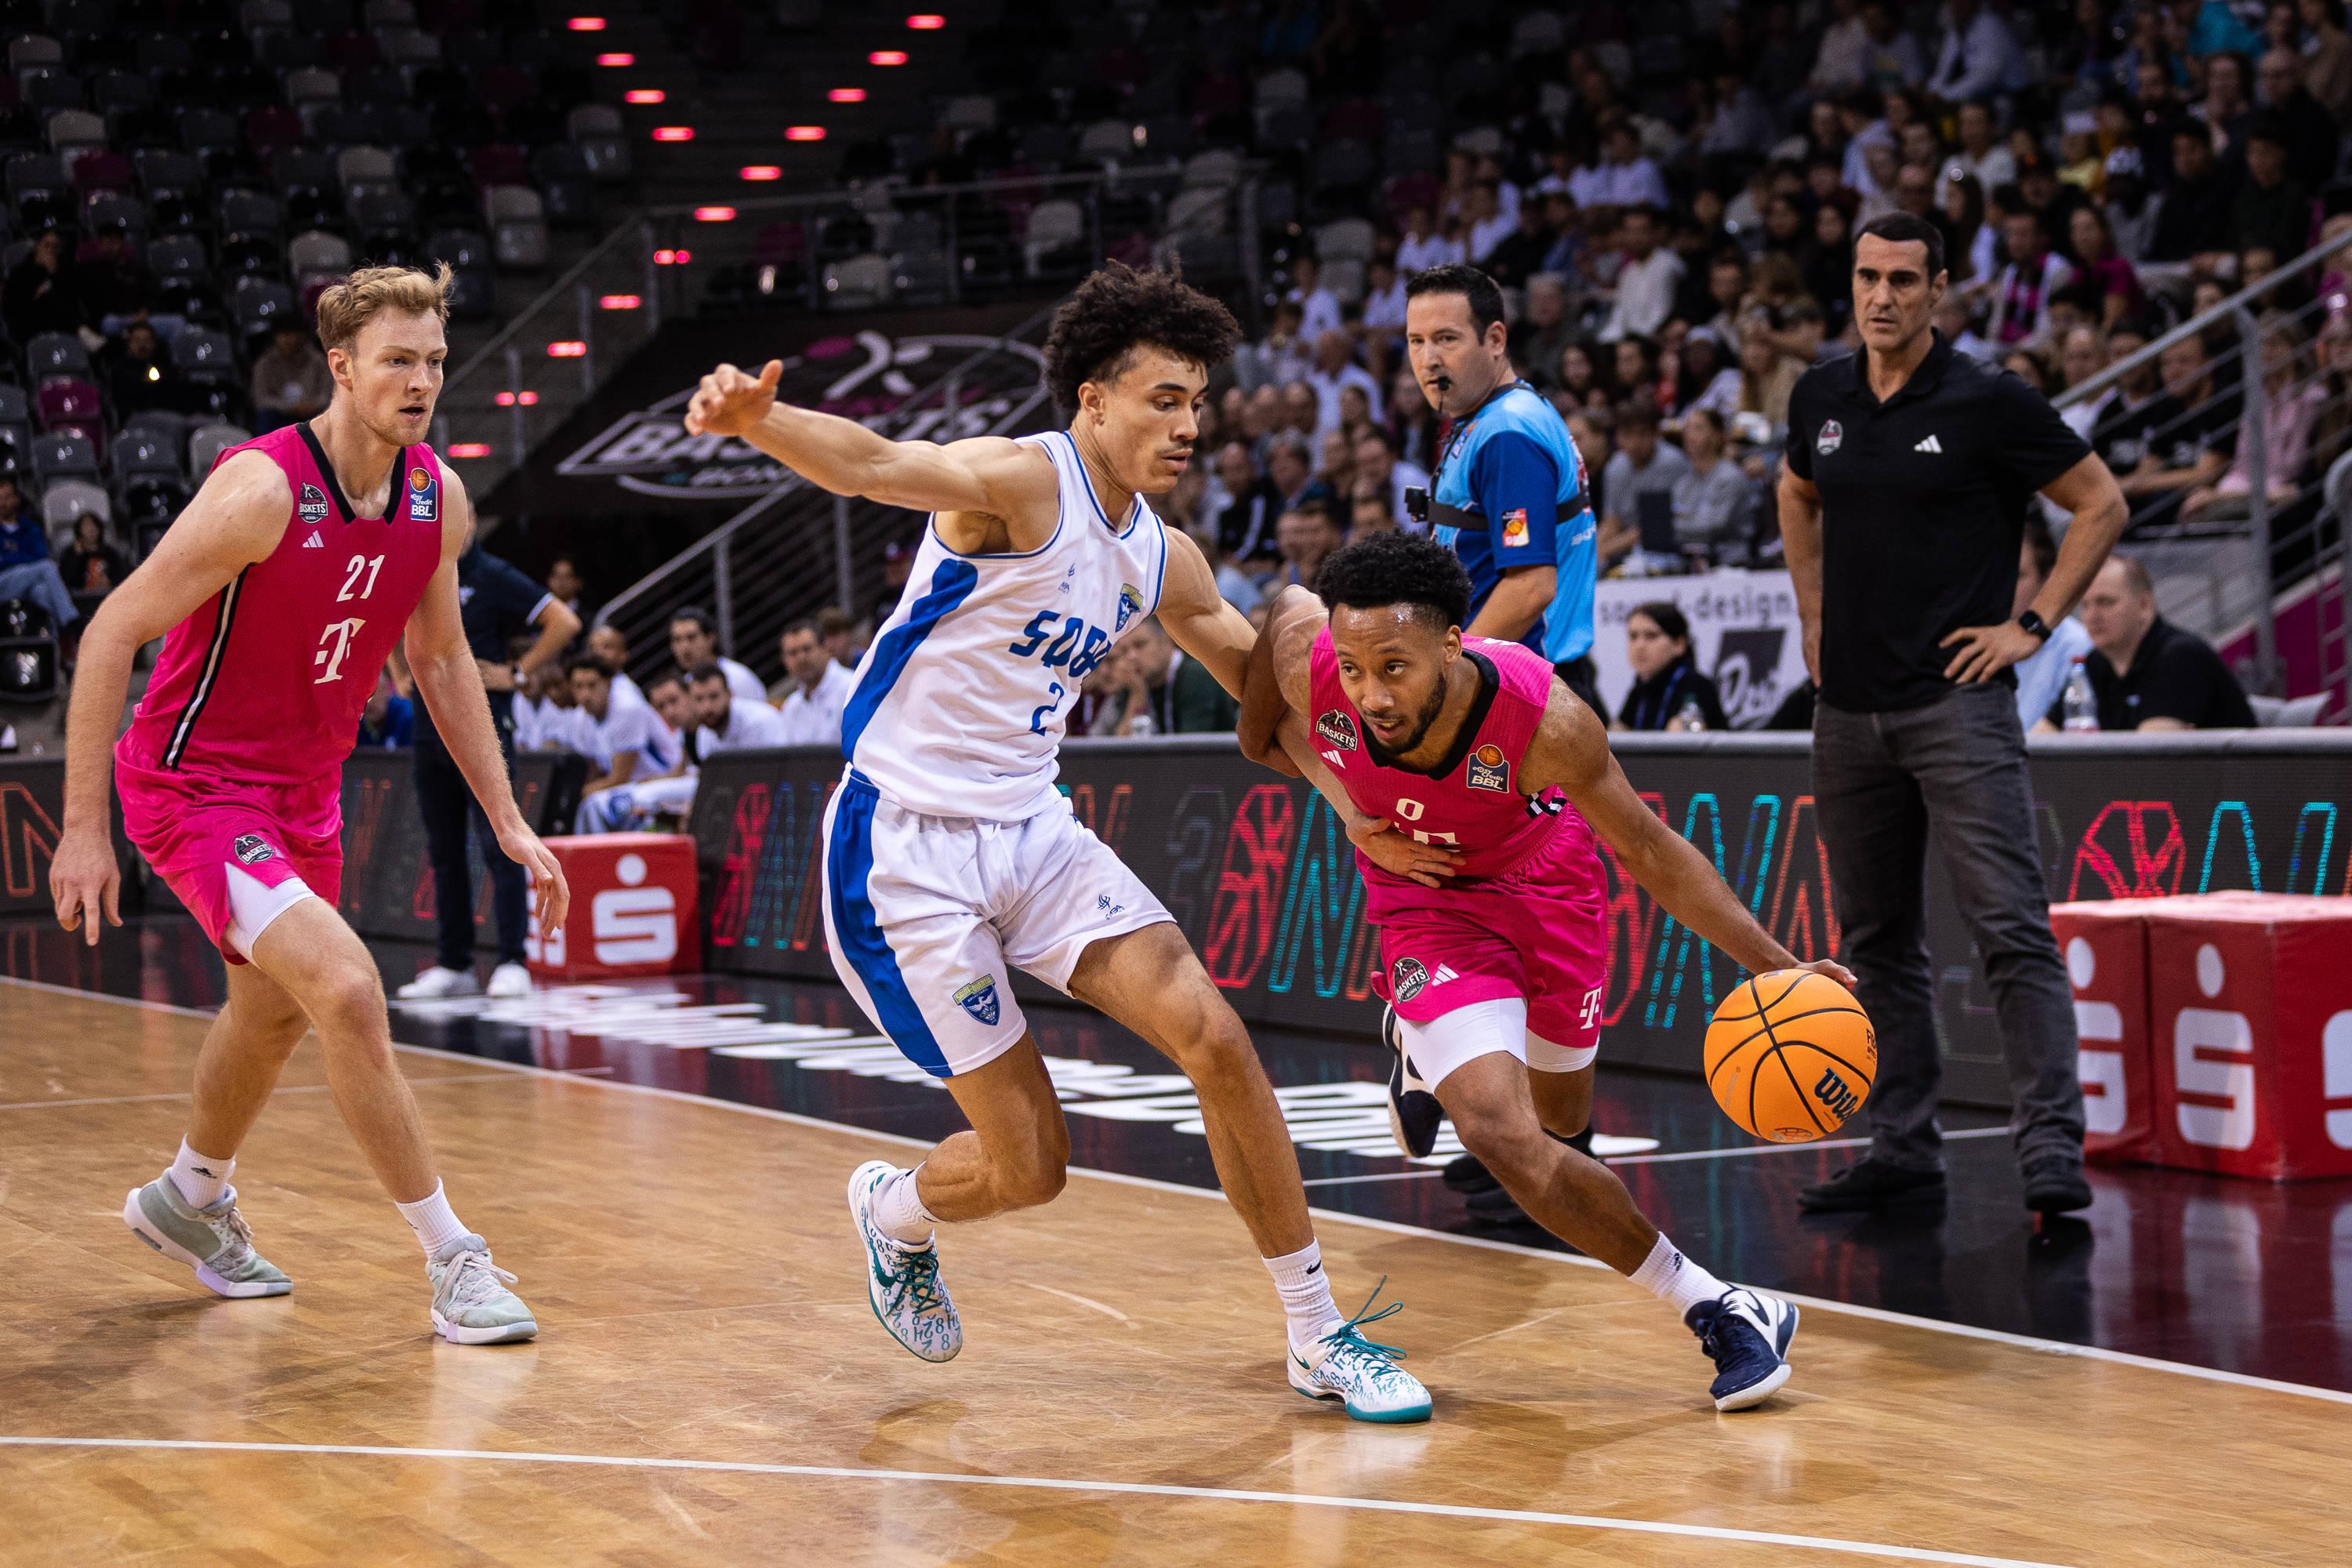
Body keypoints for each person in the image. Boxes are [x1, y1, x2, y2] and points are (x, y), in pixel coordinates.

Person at [682, 263, 1432, 1421]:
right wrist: (760, 419)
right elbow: (880, 465)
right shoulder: (1020, 483)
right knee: (1031, 1168)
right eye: (1163, 400)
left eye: (1197, 403)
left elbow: (1258, 687)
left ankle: (1316, 1331)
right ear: (1093, 399)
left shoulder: (1162, 554)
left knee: (1217, 1040)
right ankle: (895, 1212)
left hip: (1033, 828)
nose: (1189, 426)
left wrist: (1348, 791)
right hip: (904, 851)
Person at [47, 263, 565, 1344]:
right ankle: (453, 1260)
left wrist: (509, 821)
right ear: (340, 367)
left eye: (433, 360)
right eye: (398, 362)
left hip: (304, 795)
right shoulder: (261, 491)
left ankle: (188, 1198)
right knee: (348, 988)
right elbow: (109, 633)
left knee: (271, 1015)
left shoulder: (437, 495)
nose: (422, 381)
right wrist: (85, 830)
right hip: (194, 787)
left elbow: (442, 656)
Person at [1238, 534, 1853, 1411]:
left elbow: (1650, 848)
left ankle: (1424, 1053)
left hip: (1544, 881)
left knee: (1560, 1120)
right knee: (1501, 1133)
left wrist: (1781, 968)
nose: (1371, 694)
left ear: (1453, 643)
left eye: (1396, 668)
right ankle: (1718, 1303)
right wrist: (1351, 813)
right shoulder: (1309, 652)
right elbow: (1262, 733)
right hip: (1426, 896)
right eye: (1356, 666)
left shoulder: (1544, 717)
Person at [1778, 213, 2129, 1218]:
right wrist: (1812, 612)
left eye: (1901, 279)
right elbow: (1796, 492)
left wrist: (2031, 623)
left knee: (2010, 929)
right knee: (1878, 939)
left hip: (1958, 707)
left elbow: (2101, 503)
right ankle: (1903, 1143)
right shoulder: (1822, 395)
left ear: (1939, 288)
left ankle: (2052, 1149)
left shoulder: (1988, 400)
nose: (1880, 297)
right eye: (1865, 278)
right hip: (1847, 709)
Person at [1403, 263, 1601, 717]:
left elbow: (1531, 586)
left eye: (1446, 339)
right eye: (1417, 341)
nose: (1429, 358)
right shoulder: (1492, 414)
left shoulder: (1508, 435)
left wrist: (1448, 676)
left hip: (1527, 692)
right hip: (1510, 678)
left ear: (1494, 340)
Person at [394, 543, 579, 1001]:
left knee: (502, 845)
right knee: (443, 851)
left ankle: (513, 959)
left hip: (484, 732)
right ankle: (454, 962)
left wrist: (516, 672)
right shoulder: (412, 559)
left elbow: (564, 622)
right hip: (425, 729)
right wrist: (398, 672)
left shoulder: (492, 572)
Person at [579, 661, 790, 831]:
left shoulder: (762, 721)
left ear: (730, 694)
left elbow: (780, 777)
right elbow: (713, 782)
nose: (707, 707)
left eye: (714, 697)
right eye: (699, 699)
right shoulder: (705, 733)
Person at [2071, 555, 2257, 728]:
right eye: (2085, 605)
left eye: (2105, 602)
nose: (2091, 616)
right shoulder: (2093, 663)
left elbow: (2149, 756)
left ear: (2144, 605)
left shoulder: (2180, 657)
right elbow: (2046, 742)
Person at [568, 653, 677, 826]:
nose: (585, 694)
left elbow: (620, 778)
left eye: (592, 685)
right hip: (632, 788)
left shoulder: (627, 709)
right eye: (578, 687)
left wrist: (573, 795)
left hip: (665, 779)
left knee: (595, 803)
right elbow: (593, 772)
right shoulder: (580, 717)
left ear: (608, 683)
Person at [2008, 514, 2095, 731]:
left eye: (2018, 575)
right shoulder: (1976, 637)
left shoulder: (2077, 645)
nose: (2005, 585)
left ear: (2047, 579)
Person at [1616, 601, 1728, 731]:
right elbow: (1619, 730)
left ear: (1679, 645)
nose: (1639, 645)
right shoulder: (1639, 690)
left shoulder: (1698, 687)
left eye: (1651, 636)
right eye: (1633, 636)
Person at [1669, 407, 1755, 559]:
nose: (1690, 436)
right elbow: (1674, 512)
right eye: (1687, 429)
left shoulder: (1729, 476)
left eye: (1698, 428)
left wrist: (1666, 527)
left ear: (1717, 436)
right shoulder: (1685, 480)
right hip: (1691, 559)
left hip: (1730, 560)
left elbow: (1712, 526)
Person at [0, 475, 79, 633]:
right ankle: (72, 622)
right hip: (3, 584)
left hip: (27, 581)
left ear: (16, 499)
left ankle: (53, 644)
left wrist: (14, 559)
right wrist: (25, 561)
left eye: (7, 497)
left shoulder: (30, 528)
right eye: (0, 498)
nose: (3, 503)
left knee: (42, 593)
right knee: (47, 567)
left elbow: (40, 554)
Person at [772, 615, 856, 747]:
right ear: (785, 661)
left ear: (825, 650)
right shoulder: (792, 707)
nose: (801, 658)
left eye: (807, 649)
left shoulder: (852, 687)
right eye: (793, 653)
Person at [667, 607, 766, 707]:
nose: (684, 647)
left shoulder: (737, 677)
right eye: (677, 640)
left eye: (691, 637)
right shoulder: (684, 686)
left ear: (710, 638)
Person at [249, 321, 333, 431]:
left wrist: (313, 405)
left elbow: (328, 393)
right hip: (279, 414)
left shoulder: (318, 361)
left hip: (313, 412)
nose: (289, 340)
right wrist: (290, 407)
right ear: (275, 337)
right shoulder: (264, 363)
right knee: (266, 416)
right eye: (284, 335)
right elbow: (262, 399)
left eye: (293, 334)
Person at [56, 510, 128, 618]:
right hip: (80, 601)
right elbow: (67, 582)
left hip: (107, 599)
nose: (91, 529)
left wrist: (110, 582)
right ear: (79, 530)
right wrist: (77, 558)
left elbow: (121, 576)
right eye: (86, 526)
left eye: (94, 525)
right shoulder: (71, 554)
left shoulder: (110, 553)